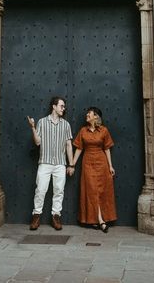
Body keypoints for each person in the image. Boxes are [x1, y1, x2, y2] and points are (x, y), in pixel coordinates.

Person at [27, 96, 74, 231]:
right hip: (45, 162)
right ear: (54, 106)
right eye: (61, 106)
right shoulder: (42, 122)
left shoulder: (66, 124)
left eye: (64, 107)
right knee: (40, 190)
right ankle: (36, 216)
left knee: (59, 191)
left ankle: (56, 216)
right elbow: (37, 142)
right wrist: (33, 127)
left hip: (60, 163)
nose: (63, 109)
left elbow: (68, 145)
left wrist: (71, 164)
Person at [72, 106, 116, 232]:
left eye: (89, 113)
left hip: (101, 163)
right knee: (91, 191)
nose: (87, 115)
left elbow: (107, 148)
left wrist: (110, 165)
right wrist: (73, 164)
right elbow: (79, 148)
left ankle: (99, 219)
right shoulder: (83, 131)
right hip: (88, 163)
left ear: (96, 116)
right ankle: (101, 221)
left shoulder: (104, 130)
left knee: (101, 191)